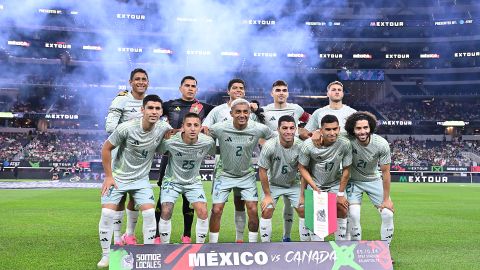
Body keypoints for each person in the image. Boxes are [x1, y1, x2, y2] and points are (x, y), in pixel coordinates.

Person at [97, 95, 171, 268]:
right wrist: (109, 176)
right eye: (150, 108)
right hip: (119, 177)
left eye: (157, 108)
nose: (154, 111)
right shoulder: (126, 127)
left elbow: (170, 142)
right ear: (142, 110)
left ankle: (150, 254)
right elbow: (106, 148)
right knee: (107, 214)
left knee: (149, 213)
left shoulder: (164, 127)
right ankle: (107, 255)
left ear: (161, 112)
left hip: (141, 179)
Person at [155, 76, 214, 244]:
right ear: (180, 88)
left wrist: (253, 106)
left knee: (190, 201)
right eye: (187, 86)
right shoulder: (169, 105)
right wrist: (165, 130)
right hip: (170, 155)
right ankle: (159, 235)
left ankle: (187, 234)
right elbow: (153, 111)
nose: (190, 88)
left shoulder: (204, 107)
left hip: (191, 158)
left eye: (193, 86)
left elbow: (224, 111)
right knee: (163, 199)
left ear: (196, 89)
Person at [208, 98, 275, 243]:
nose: (242, 115)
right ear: (231, 113)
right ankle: (211, 246)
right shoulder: (220, 127)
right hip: (224, 173)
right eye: (238, 112)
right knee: (216, 210)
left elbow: (275, 137)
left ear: (250, 113)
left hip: (246, 174)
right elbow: (204, 134)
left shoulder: (258, 128)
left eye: (245, 112)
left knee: (251, 208)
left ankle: (250, 245)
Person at [202, 79, 260, 242]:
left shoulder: (250, 112)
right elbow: (205, 129)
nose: (238, 90)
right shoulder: (218, 111)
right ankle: (213, 243)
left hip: (244, 161)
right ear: (228, 91)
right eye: (234, 88)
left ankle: (240, 240)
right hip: (224, 159)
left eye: (241, 88)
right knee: (217, 207)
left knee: (241, 203)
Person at [261, 80, 310, 242]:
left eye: (284, 90)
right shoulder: (265, 111)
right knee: (267, 208)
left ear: (288, 93)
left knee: (299, 208)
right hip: (274, 163)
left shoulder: (296, 109)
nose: (281, 93)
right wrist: (264, 145)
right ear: (272, 93)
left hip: (293, 166)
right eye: (278, 90)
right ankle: (264, 248)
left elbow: (309, 120)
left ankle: (292, 240)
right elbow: (258, 129)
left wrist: (305, 132)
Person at [105, 68, 149, 245]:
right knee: (119, 196)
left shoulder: (149, 102)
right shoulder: (121, 99)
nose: (140, 82)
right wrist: (131, 132)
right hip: (120, 156)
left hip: (140, 157)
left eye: (144, 79)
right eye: (137, 79)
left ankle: (129, 234)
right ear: (130, 82)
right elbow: (109, 128)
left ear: (148, 82)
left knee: (136, 196)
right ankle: (117, 238)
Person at [344, 112, 394, 247]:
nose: (362, 131)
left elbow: (386, 172)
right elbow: (330, 135)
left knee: (388, 213)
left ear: (370, 127)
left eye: (365, 127)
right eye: (358, 128)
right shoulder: (347, 140)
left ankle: (386, 251)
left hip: (373, 180)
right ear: (352, 130)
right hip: (353, 181)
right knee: (353, 215)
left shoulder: (381, 144)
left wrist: (386, 199)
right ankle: (355, 250)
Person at [298, 114, 352, 241]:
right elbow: (302, 167)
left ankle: (341, 245)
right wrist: (314, 186)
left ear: (339, 129)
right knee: (318, 218)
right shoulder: (308, 145)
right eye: (328, 129)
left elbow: (346, 169)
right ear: (321, 130)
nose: (332, 132)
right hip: (316, 183)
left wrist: (340, 193)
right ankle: (317, 249)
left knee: (342, 208)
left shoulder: (345, 143)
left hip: (334, 183)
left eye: (335, 129)